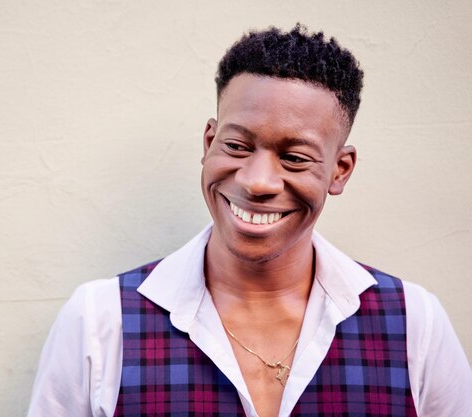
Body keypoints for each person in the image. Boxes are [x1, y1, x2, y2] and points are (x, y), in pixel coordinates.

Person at [26, 25, 471, 417]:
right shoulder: (100, 323)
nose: (258, 181)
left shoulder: (415, 324)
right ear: (209, 141)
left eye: (294, 158)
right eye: (237, 146)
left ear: (340, 170)